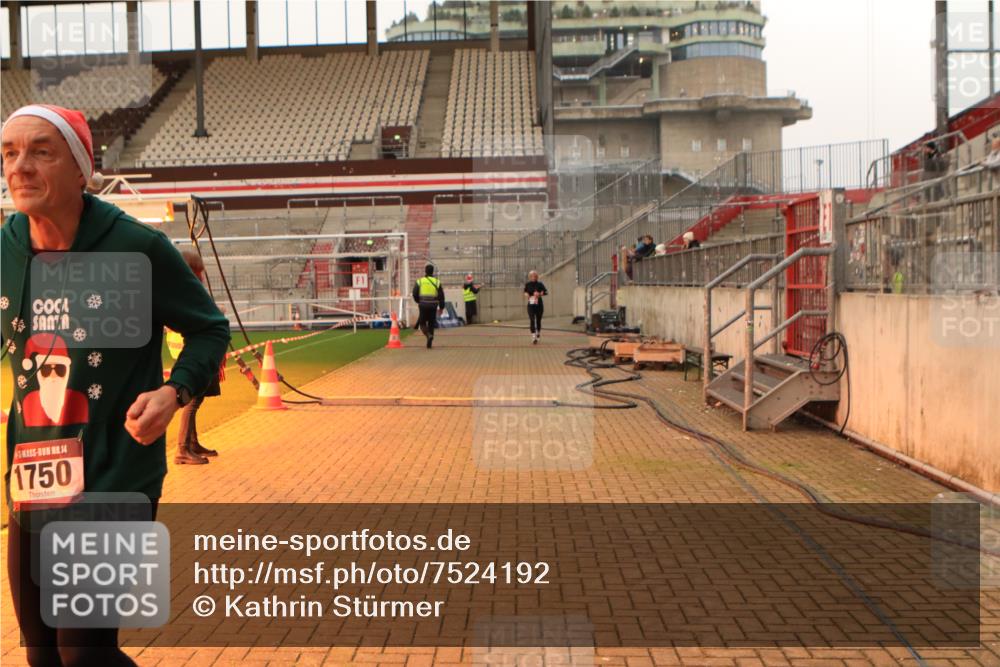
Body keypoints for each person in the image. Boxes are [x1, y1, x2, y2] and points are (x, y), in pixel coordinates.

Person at [1, 104, 230, 666]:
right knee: (42, 656)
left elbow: (208, 330)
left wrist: (173, 392)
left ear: (82, 169)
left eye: (41, 151)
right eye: (9, 153)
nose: (20, 167)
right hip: (34, 477)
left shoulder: (136, 247)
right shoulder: (4, 248)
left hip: (115, 475)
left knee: (83, 654)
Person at [171, 247, 226, 465]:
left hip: (195, 353)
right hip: (191, 354)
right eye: (197, 271)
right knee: (191, 400)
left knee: (198, 397)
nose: (202, 276)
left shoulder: (186, 289)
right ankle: (182, 448)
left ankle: (191, 442)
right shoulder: (182, 290)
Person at [412, 263, 444, 348]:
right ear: (432, 271)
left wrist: (418, 301)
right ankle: (429, 344)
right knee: (431, 323)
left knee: (422, 323)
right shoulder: (437, 282)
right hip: (433, 305)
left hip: (423, 305)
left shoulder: (420, 281)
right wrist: (441, 307)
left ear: (425, 271)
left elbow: (414, 293)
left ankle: (428, 335)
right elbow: (441, 296)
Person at [523, 270, 548, 344]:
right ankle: (533, 336)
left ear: (537, 277)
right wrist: (526, 294)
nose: (533, 277)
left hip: (539, 305)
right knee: (532, 320)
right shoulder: (528, 284)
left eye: (535, 276)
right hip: (531, 305)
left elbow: (545, 292)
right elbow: (525, 291)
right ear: (530, 277)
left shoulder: (540, 284)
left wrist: (539, 294)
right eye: (531, 276)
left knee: (538, 320)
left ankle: (538, 332)